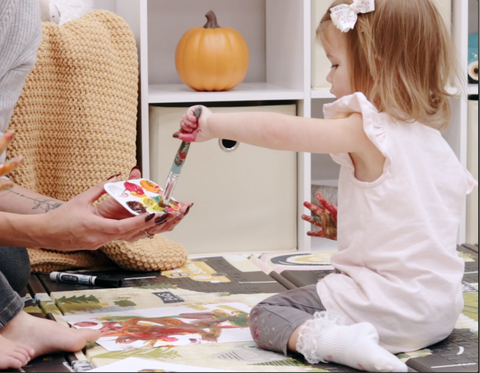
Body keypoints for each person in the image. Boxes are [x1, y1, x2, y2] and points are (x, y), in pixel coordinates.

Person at [176, 0, 477, 371]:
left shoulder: (367, 129)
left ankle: (343, 344)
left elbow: (284, 133)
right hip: (438, 313)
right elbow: (419, 226)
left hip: (386, 311)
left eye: (335, 64)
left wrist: (215, 124)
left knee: (270, 312)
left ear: (376, 63)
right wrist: (345, 225)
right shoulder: (435, 144)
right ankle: (371, 338)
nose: (330, 77)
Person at [0, 0, 192, 369]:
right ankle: (11, 320)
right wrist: (47, 232)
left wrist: (83, 218)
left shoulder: (18, 17)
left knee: (10, 263)